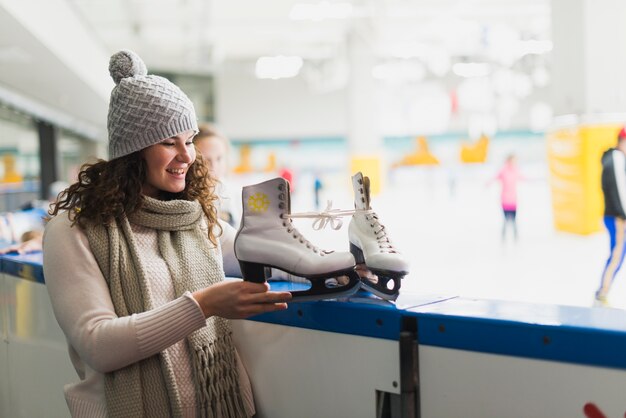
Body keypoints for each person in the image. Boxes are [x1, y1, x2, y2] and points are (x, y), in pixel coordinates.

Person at [43, 50, 291, 418]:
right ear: (132, 152)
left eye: (189, 140)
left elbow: (262, 254)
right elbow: (98, 344)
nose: (187, 156)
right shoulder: (74, 230)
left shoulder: (192, 216)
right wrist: (203, 305)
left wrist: (346, 268)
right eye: (168, 142)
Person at [596, 127, 626, 306]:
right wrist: (622, 215)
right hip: (617, 217)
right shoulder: (616, 157)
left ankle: (602, 292)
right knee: (617, 254)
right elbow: (618, 190)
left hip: (617, 215)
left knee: (618, 254)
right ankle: (602, 293)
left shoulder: (616, 158)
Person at [194, 123, 240, 227]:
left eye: (219, 158)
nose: (214, 167)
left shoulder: (236, 194)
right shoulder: (186, 199)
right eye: (206, 160)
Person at [489, 153, 525, 241]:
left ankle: (516, 239)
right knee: (505, 221)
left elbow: (524, 178)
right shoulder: (503, 171)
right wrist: (487, 183)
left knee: (514, 221)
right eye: (513, 160)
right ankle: (503, 239)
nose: (515, 162)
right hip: (505, 200)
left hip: (513, 200)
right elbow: (494, 178)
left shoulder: (516, 170)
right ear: (508, 160)